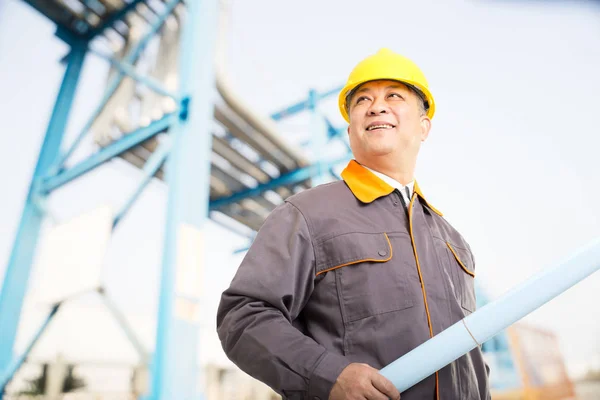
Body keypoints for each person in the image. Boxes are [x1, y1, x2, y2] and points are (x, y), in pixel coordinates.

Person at [217, 48, 490, 400]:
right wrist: (329, 376)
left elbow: (472, 359)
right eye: (363, 100)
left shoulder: (453, 241)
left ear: (424, 127)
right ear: (350, 130)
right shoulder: (308, 213)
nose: (376, 106)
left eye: (394, 95)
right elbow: (242, 317)